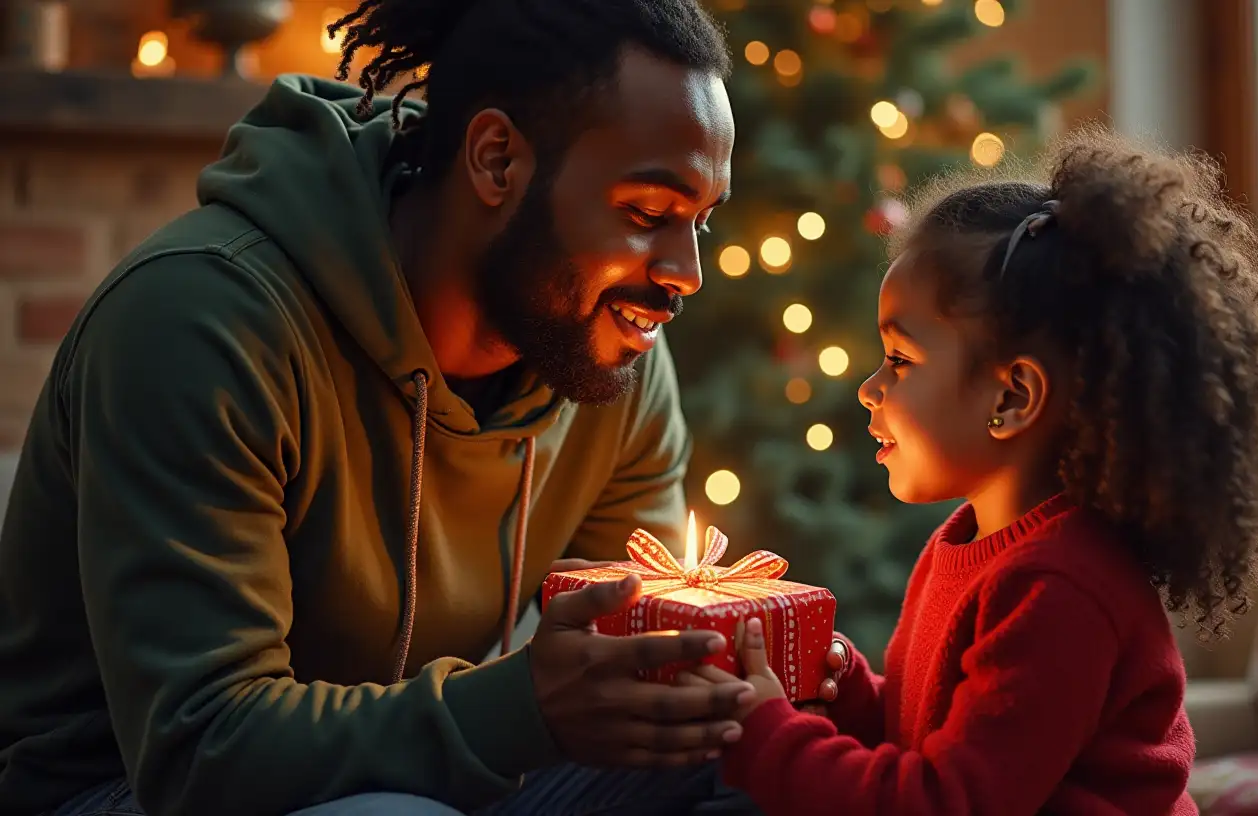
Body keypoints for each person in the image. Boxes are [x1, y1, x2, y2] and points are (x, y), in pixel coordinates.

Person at [0, 1, 846, 814]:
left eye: (699, 222)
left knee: (772, 766)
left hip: (416, 777)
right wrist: (516, 710)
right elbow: (197, 749)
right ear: (495, 160)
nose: (684, 273)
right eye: (647, 213)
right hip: (123, 791)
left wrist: (747, 685)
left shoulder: (605, 362)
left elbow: (627, 673)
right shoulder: (202, 321)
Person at [682, 126, 1258, 814]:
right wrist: (850, 693)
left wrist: (767, 735)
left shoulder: (1061, 586)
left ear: (1012, 396)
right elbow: (941, 738)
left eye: (899, 361)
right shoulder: (968, 544)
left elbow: (948, 801)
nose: (869, 388)